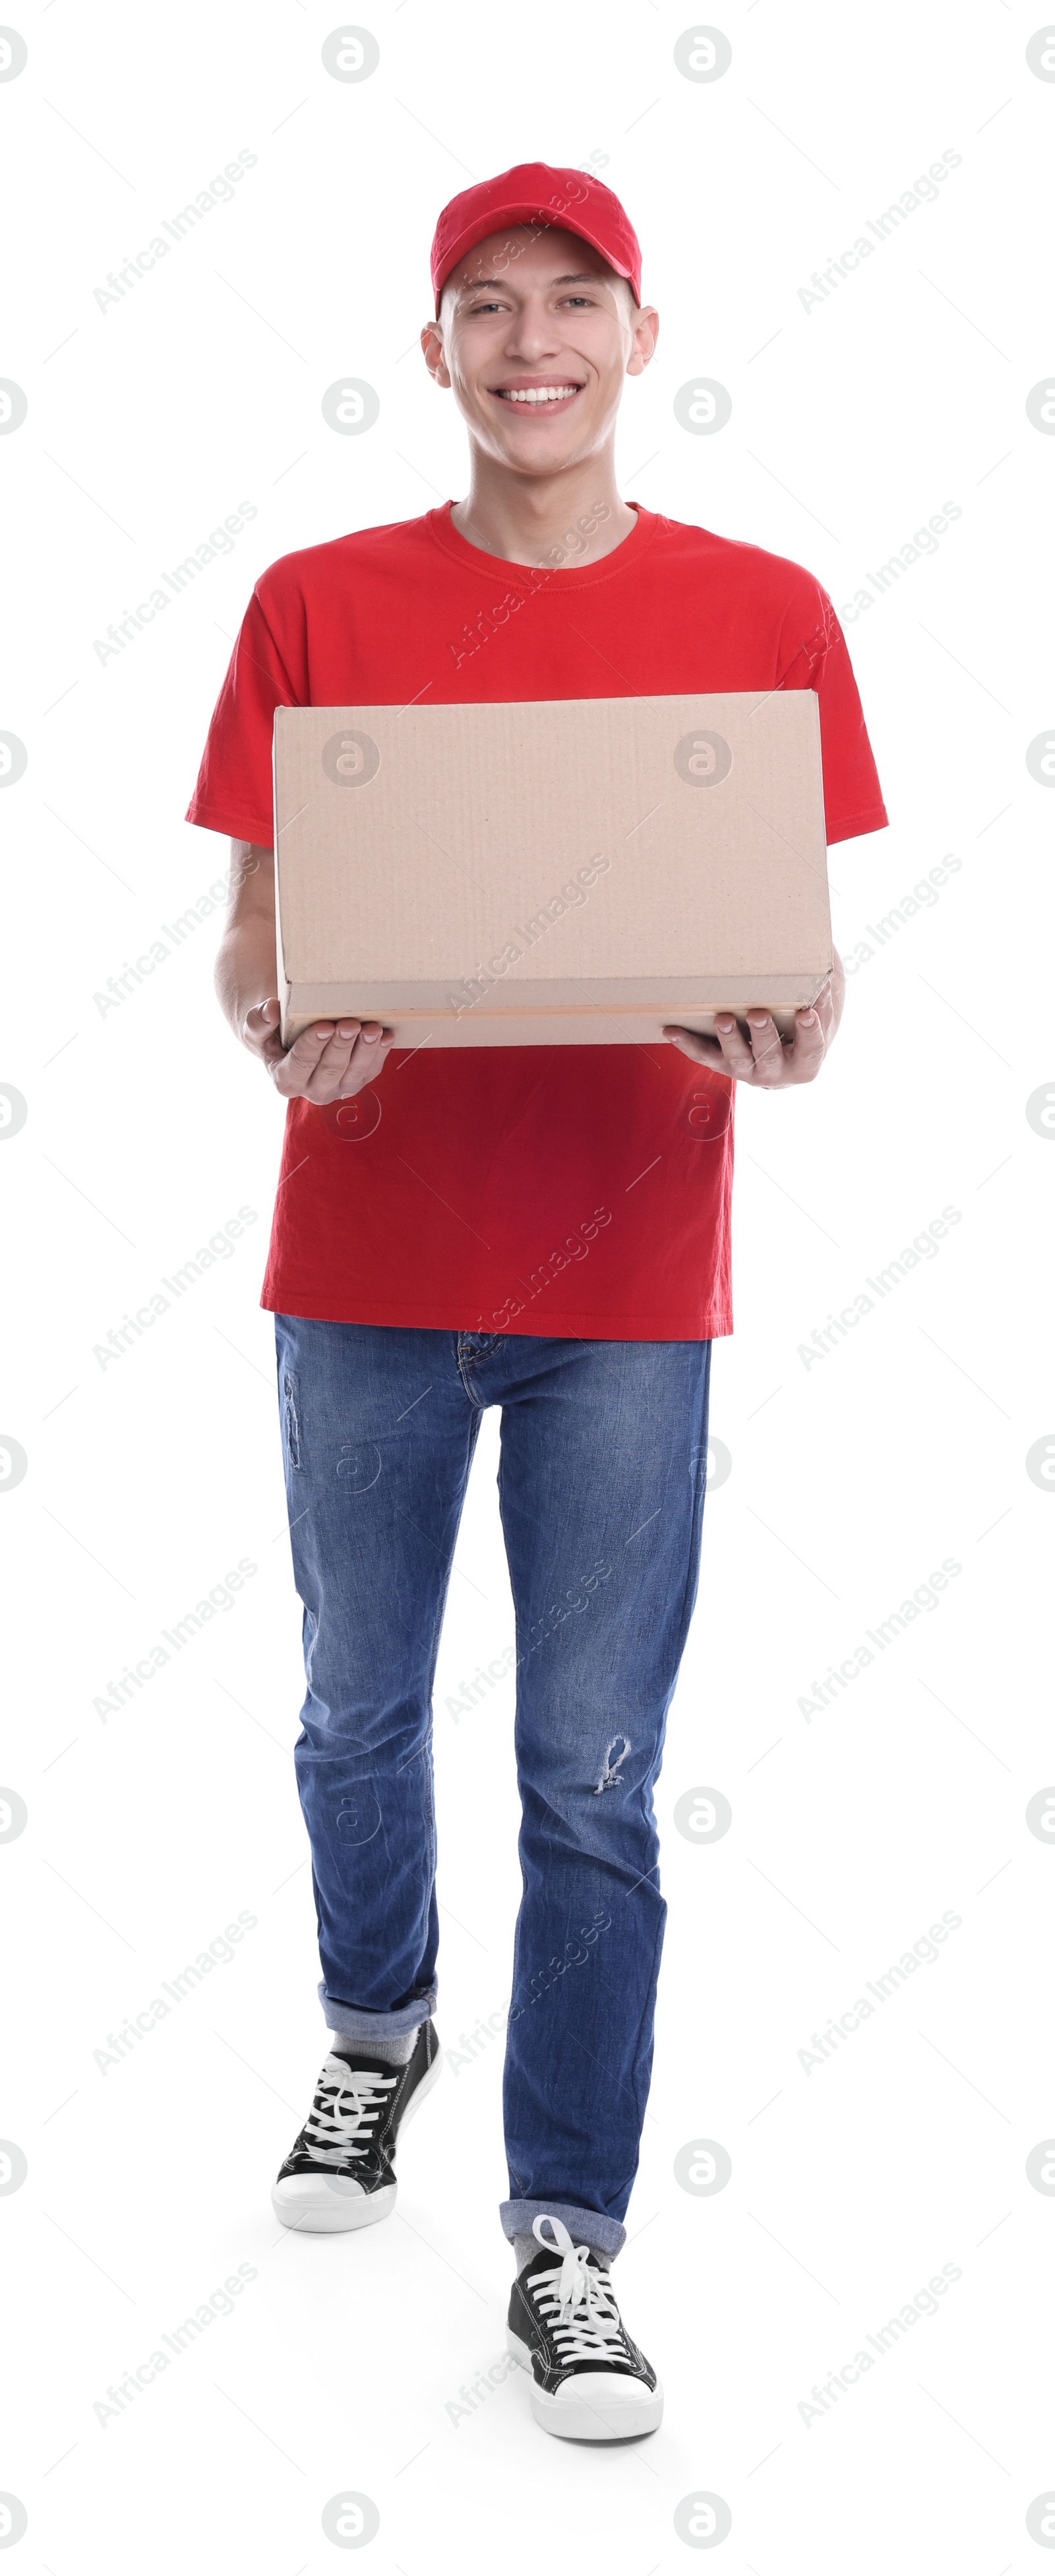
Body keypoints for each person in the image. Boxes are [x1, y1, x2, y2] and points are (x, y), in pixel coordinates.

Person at [187, 162, 888, 2443]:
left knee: (591, 1778)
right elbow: (252, 940)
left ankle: (567, 2238)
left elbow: (791, 958)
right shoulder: (317, 603)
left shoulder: (766, 609)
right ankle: (371, 2028)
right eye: (481, 309)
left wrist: (799, 1029)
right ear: (436, 354)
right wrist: (280, 1018)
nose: (527, 344)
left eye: (566, 302)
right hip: (367, 1268)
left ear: (634, 332)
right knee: (351, 1716)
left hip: (630, 1292)